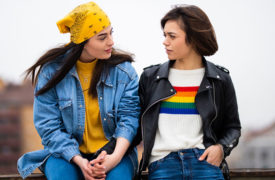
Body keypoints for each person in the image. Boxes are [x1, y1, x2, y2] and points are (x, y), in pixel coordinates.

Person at [17, 2, 140, 180]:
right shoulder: (51, 72)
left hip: (114, 152)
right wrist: (79, 160)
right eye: (102, 37)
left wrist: (113, 159)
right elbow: (48, 126)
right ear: (83, 41)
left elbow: (129, 119)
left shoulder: (124, 72)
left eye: (111, 33)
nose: (111, 42)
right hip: (65, 155)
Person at [135, 4, 241, 180]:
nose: (165, 41)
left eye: (172, 36)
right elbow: (135, 128)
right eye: (165, 35)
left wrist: (221, 148)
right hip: (163, 166)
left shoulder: (219, 79)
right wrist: (108, 152)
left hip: (205, 164)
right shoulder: (150, 78)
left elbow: (233, 127)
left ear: (193, 38)